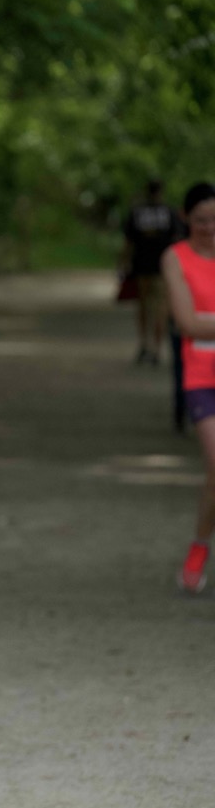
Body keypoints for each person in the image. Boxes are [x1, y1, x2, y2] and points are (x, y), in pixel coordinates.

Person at [162, 182, 215, 592]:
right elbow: (188, 323)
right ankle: (199, 546)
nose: (209, 228)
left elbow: (203, 320)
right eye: (201, 220)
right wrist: (200, 323)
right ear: (186, 219)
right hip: (201, 377)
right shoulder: (175, 258)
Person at [122, 179, 183, 365]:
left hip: (141, 265)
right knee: (161, 307)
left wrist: (124, 262)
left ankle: (144, 343)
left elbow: (128, 241)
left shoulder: (137, 212)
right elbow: (177, 240)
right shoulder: (169, 212)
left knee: (143, 306)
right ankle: (157, 347)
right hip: (163, 266)